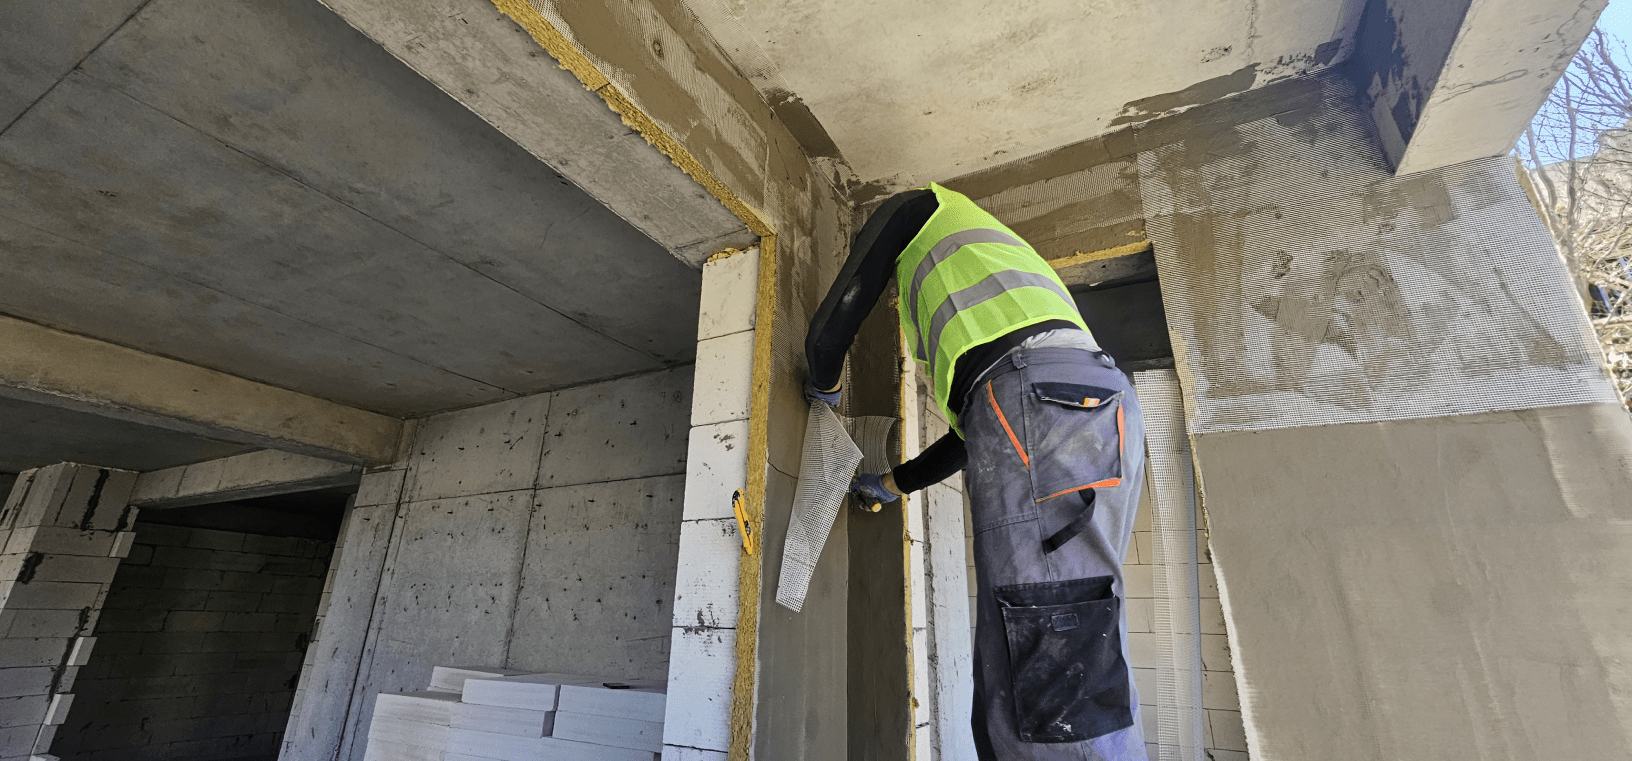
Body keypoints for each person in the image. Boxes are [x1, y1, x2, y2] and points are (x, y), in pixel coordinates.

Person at [804, 184, 1148, 760]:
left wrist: (824, 386)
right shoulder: (1001, 292)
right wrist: (887, 486)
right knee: (1055, 639)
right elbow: (971, 443)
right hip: (1095, 411)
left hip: (1044, 400)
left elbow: (838, 314)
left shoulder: (922, 209)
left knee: (1050, 657)